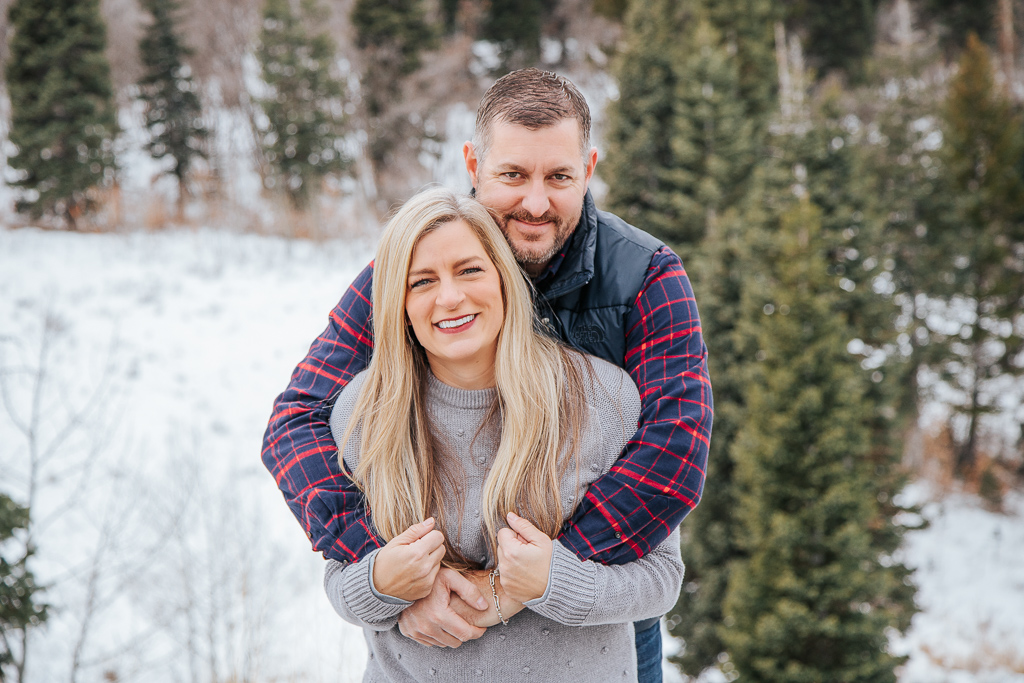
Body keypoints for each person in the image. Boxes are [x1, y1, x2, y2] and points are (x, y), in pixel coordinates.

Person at [262, 68, 712, 682]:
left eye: (558, 176)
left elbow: (675, 451)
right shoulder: (417, 265)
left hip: (596, 625)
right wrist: (390, 570)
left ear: (590, 167)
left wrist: (533, 580)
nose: (534, 202)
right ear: (474, 164)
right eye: (512, 175)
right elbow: (296, 420)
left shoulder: (643, 277)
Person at [322, 187, 684, 682]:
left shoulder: (603, 397)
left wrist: (554, 583)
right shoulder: (364, 411)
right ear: (398, 303)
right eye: (422, 281)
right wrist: (383, 584)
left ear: (504, 277)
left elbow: (662, 577)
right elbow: (339, 575)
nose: (449, 297)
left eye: (469, 270)